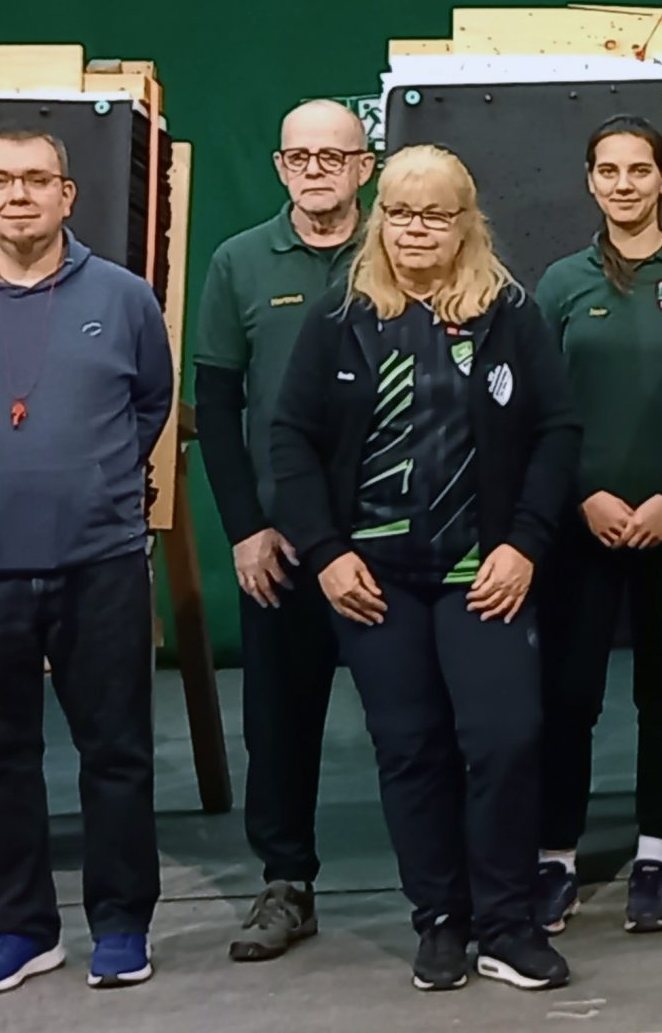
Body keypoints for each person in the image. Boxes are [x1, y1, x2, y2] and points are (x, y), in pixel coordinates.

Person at [269, 144, 578, 993]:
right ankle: (441, 920)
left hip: (485, 569)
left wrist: (523, 543)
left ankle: (508, 925)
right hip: (373, 580)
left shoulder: (508, 313)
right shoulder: (340, 316)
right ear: (380, 219)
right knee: (410, 747)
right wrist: (326, 555)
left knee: (506, 739)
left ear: (465, 221)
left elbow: (556, 433)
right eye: (400, 213)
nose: (415, 229)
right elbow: (291, 439)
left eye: (435, 214)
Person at [0, 129, 173, 995]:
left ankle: (122, 925)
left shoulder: (124, 299)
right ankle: (21, 929)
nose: (20, 195)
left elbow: (152, 402)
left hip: (101, 565)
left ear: (68, 195)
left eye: (38, 180)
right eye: (1, 180)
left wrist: (88, 480)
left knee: (117, 751)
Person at [531, 117, 662, 935]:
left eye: (639, 170)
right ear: (590, 181)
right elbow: (543, 412)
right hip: (580, 524)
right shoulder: (557, 284)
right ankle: (556, 860)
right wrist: (584, 493)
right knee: (568, 696)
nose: (624, 184)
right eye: (608, 171)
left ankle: (656, 856)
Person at [194, 100, 375, 963]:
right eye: (299, 157)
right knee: (279, 721)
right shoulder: (238, 263)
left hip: (389, 538)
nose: (316, 170)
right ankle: (285, 883)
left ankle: (444, 886)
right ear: (278, 169)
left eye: (333, 156)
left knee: (417, 721)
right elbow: (219, 409)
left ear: (365, 166)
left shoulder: (404, 250)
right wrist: (244, 528)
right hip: (283, 546)